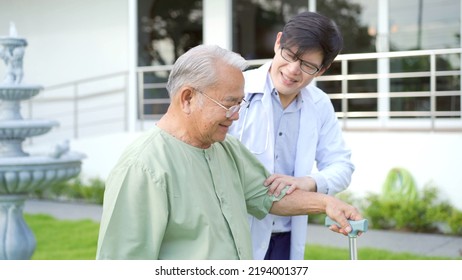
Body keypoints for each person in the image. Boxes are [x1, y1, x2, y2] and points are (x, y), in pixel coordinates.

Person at [96, 44, 362, 260]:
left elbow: (267, 196)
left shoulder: (227, 147)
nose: (236, 116)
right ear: (187, 98)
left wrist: (326, 203)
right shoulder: (142, 168)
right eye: (229, 104)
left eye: (240, 102)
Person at [228, 11, 354, 260]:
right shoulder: (236, 88)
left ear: (322, 70)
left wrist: (309, 183)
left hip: (286, 239)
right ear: (278, 42)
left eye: (307, 65)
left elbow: (342, 165)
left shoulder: (319, 104)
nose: (293, 70)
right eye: (290, 55)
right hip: (235, 233)